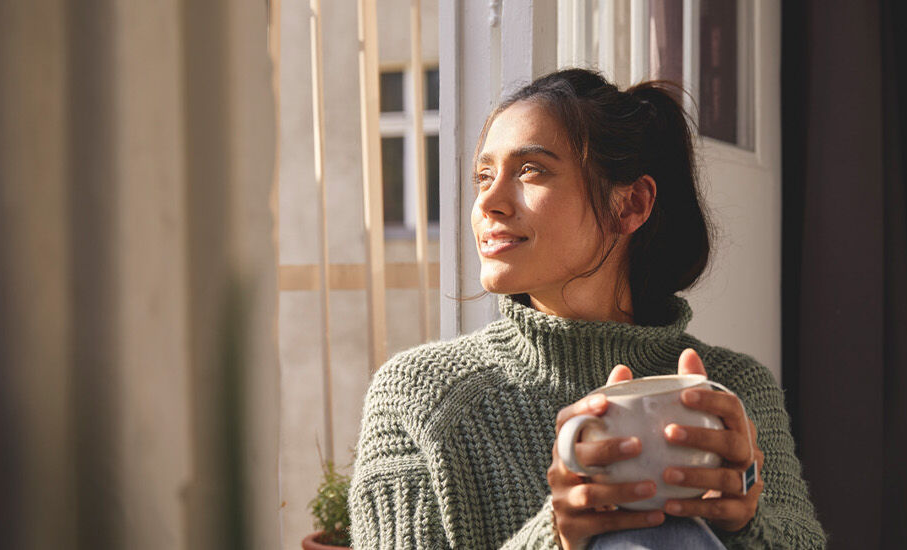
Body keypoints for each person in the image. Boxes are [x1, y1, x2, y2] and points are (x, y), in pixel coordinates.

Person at [349, 68, 826, 549]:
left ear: (631, 205)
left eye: (529, 170)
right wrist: (556, 535)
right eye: (484, 176)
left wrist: (744, 524)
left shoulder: (737, 390)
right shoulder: (420, 396)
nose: (487, 202)